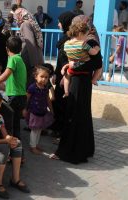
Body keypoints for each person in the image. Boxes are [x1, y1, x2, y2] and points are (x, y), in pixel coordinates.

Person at [50, 15, 103, 164]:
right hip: (77, 80)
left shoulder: (89, 42)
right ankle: (78, 149)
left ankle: (73, 152)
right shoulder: (82, 43)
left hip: (81, 82)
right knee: (76, 114)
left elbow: (96, 63)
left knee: (76, 114)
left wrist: (73, 66)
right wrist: (69, 67)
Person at [50, 11, 76, 137]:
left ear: (66, 23)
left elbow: (68, 62)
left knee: (63, 104)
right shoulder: (65, 39)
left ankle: (61, 131)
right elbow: (60, 60)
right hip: (61, 75)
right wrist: (55, 73)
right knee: (58, 103)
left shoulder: (70, 41)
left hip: (66, 78)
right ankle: (57, 127)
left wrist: (65, 76)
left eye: (60, 22)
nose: (58, 25)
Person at [62, 21, 101, 97]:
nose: (86, 38)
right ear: (80, 34)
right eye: (86, 35)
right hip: (83, 63)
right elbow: (93, 53)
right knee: (99, 67)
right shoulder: (83, 44)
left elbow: (68, 55)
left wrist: (70, 63)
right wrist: (96, 48)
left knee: (67, 76)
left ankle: (66, 91)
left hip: (72, 66)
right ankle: (94, 80)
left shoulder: (66, 43)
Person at [26, 66, 54, 154]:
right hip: (34, 112)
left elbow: (47, 99)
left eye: (46, 77)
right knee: (34, 130)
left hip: (42, 112)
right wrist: (24, 109)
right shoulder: (32, 87)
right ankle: (32, 147)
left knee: (39, 129)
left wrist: (51, 109)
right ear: (36, 77)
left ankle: (36, 145)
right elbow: (27, 99)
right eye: (42, 76)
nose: (44, 79)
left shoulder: (45, 88)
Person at [14, 8, 44, 85]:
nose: (15, 19)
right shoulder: (31, 23)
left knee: (29, 83)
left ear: (21, 15)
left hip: (29, 59)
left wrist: (34, 63)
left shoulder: (25, 24)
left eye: (16, 16)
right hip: (34, 57)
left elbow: (31, 44)